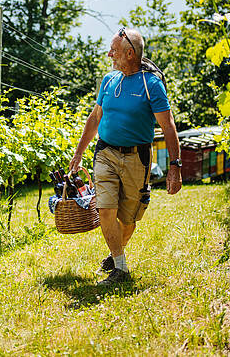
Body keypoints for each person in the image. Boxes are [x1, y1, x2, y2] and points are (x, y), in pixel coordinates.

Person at [68, 27, 182, 285]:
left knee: (128, 219)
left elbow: (168, 126)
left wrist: (175, 166)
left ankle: (115, 252)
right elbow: (95, 117)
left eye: (115, 51)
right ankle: (120, 268)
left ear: (130, 54)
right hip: (105, 152)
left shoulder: (150, 84)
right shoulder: (109, 81)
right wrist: (79, 152)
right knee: (105, 208)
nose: (110, 54)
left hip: (136, 158)